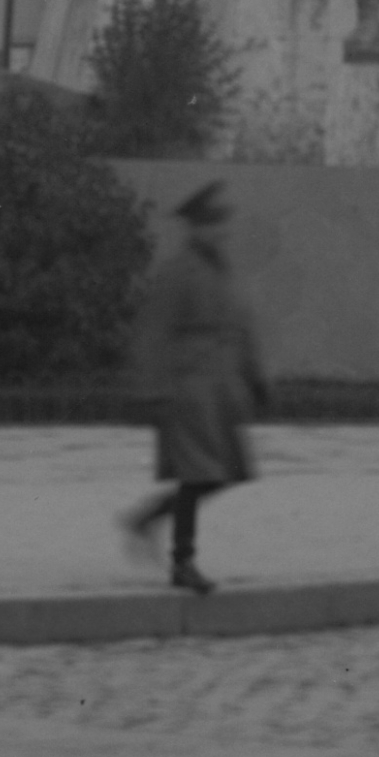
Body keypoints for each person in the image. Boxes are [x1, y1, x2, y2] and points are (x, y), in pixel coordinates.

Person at [121, 182, 269, 596]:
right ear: (194, 228)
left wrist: (255, 376)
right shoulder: (177, 272)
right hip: (187, 391)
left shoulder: (222, 271)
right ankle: (182, 563)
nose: (220, 232)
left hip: (220, 392)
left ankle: (148, 519)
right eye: (211, 225)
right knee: (198, 475)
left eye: (222, 224)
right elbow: (152, 333)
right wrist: (150, 390)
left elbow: (241, 326)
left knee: (222, 475)